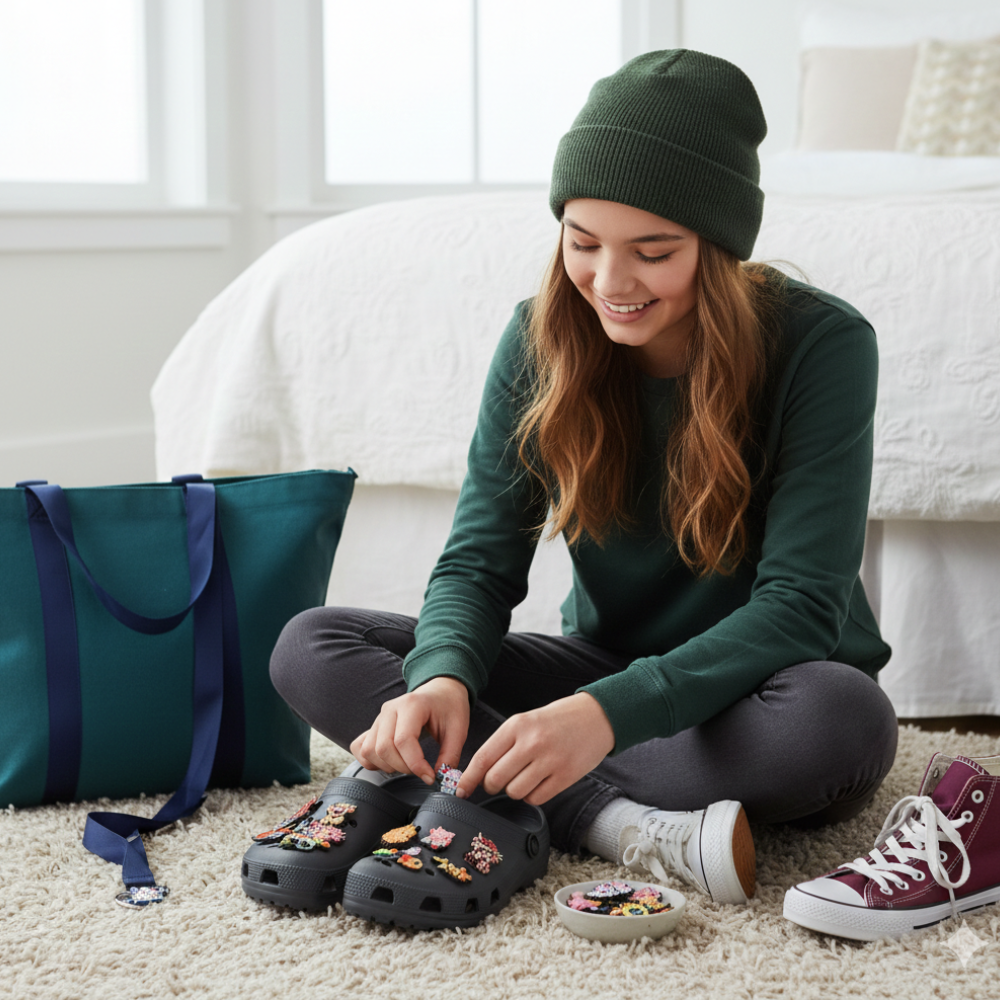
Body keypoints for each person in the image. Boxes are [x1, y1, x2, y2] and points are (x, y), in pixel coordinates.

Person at [269, 49, 897, 906]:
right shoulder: (539, 337)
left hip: (766, 684)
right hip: (605, 662)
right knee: (314, 643)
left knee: (842, 721)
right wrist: (443, 676)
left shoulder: (822, 345)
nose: (610, 281)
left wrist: (597, 719)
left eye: (654, 251)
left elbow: (799, 608)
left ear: (718, 246)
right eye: (583, 241)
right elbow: (478, 563)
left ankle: (450, 786)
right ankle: (614, 824)